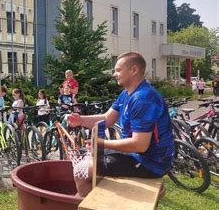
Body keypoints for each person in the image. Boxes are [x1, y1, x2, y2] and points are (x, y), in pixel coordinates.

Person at [67, 52, 174, 197]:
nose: (114, 74)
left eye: (118, 70)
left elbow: (139, 145)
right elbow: (107, 118)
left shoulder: (143, 99)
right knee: (89, 154)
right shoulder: (127, 93)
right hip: (137, 155)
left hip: (151, 163)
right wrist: (81, 120)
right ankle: (91, 202)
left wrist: (102, 143)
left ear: (134, 70)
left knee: (82, 170)